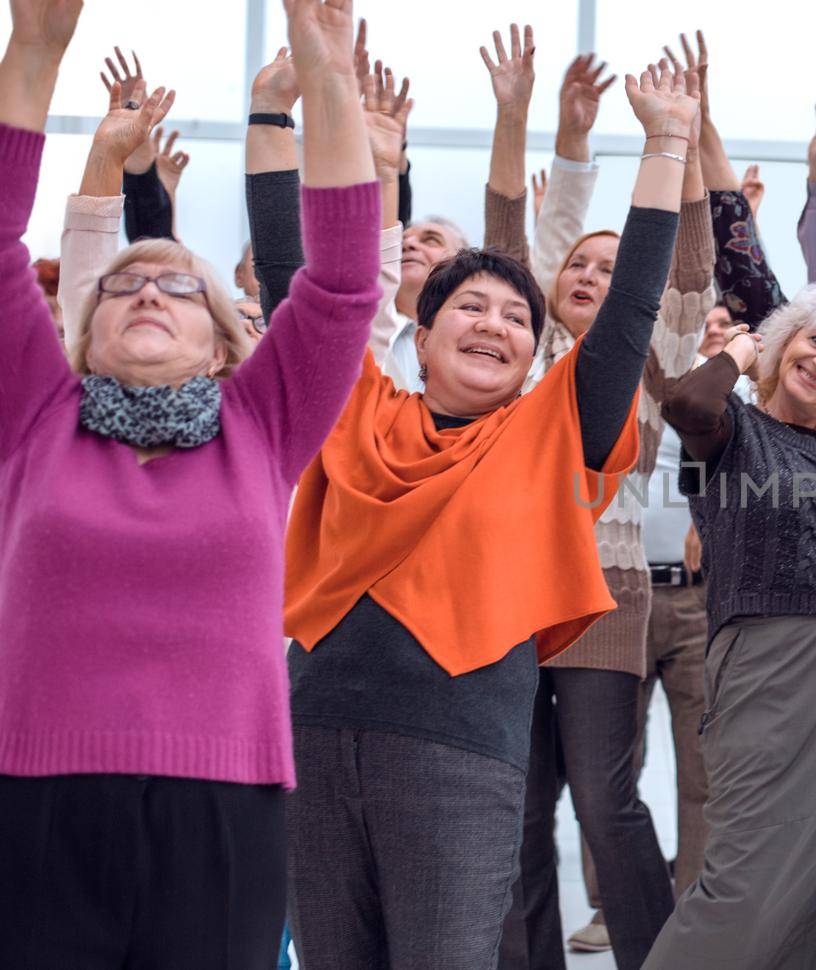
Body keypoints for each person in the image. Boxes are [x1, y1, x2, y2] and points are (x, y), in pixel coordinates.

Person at [279, 56, 697, 970]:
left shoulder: (550, 434)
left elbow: (627, 314)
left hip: (460, 756)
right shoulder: (354, 415)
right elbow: (299, 280)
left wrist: (667, 142)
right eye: (470, 306)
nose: (496, 326)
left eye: (517, 318)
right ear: (419, 338)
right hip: (309, 736)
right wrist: (287, 119)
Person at [0, 3, 382, 969]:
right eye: (125, 284)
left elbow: (340, 280)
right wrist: (33, 48)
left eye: (177, 287)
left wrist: (328, 75)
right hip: (36, 791)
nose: (147, 294)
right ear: (82, 336)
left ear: (223, 343)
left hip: (224, 804)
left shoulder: (264, 424)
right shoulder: (37, 415)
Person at [486, 32, 701, 970]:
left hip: (605, 603)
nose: (589, 275)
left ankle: (653, 957)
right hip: (502, 602)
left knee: (607, 799)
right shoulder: (516, 363)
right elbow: (506, 247)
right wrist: (532, 121)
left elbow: (686, 277)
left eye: (613, 269)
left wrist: (680, 144)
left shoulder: (648, 372)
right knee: (518, 804)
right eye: (578, 264)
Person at [642, 285, 816, 970]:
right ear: (783, 340)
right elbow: (686, 403)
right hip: (768, 660)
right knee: (744, 877)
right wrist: (738, 351)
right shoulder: (729, 429)